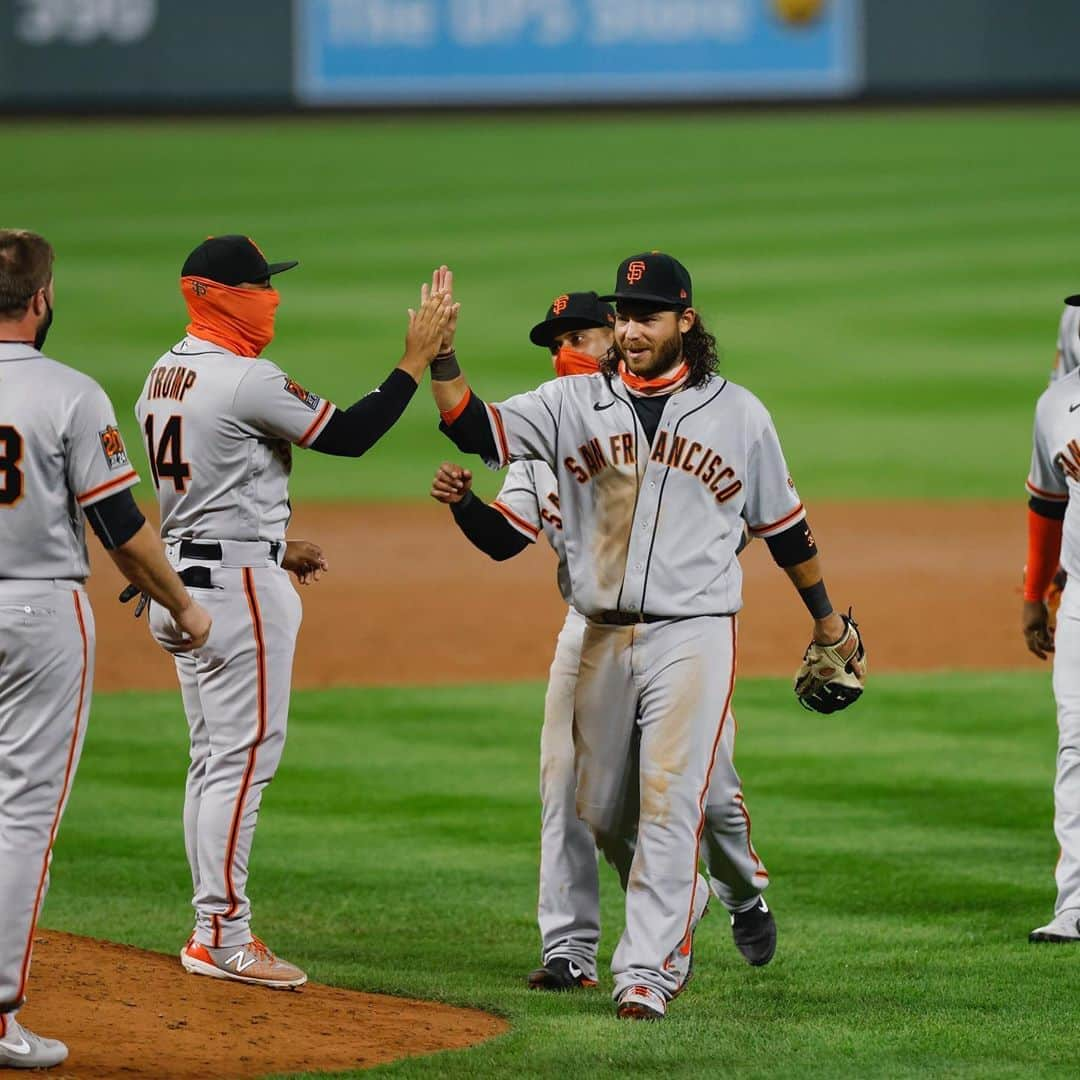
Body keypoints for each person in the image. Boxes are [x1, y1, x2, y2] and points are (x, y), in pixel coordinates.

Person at [428, 254, 862, 1020]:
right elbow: (473, 424)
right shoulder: (569, 401)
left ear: (685, 323)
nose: (628, 331)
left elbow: (786, 528)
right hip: (597, 632)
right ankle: (698, 901)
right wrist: (441, 355)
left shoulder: (740, 415)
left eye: (646, 317)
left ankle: (647, 973)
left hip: (693, 632)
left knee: (673, 801)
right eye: (622, 316)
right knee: (595, 807)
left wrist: (826, 619)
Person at [135, 235, 453, 988]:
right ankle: (222, 933)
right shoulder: (245, 378)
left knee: (213, 763)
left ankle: (211, 925)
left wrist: (275, 547)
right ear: (223, 295)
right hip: (233, 594)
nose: (272, 297)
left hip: (181, 581)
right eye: (261, 286)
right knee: (241, 766)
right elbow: (348, 436)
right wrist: (414, 359)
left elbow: (210, 492)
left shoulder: (164, 371)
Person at [0, 229, 211, 1068]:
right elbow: (121, 531)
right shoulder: (70, 393)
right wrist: (185, 610)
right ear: (43, 299)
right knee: (21, 815)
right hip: (38, 619)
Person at [433, 291, 615, 991]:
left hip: (673, 632)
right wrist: (466, 505)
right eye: (557, 338)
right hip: (587, 630)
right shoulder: (544, 424)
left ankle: (730, 897)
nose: (566, 347)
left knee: (688, 796)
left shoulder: (653, 410)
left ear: (618, 335)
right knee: (563, 784)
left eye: (582, 333)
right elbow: (508, 540)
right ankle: (569, 950)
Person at [1022, 289, 1080, 943]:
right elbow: (1047, 503)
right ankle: (1076, 904)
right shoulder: (1057, 402)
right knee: (1076, 744)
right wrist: (1036, 592)